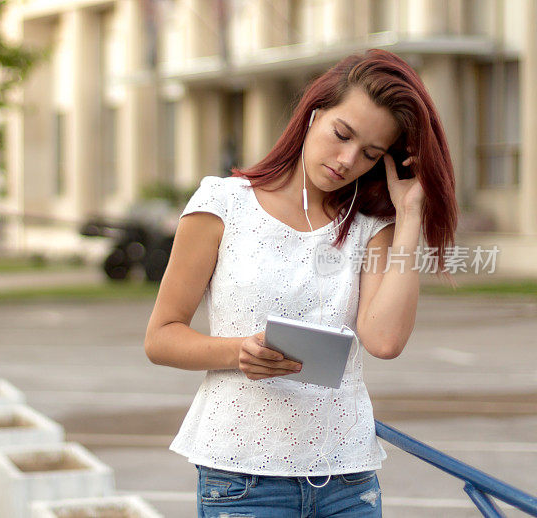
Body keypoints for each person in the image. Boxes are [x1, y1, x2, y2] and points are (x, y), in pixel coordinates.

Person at [144, 48, 458, 518]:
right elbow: (161, 337)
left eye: (371, 154)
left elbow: (386, 340)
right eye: (342, 134)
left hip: (348, 482)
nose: (348, 160)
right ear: (314, 115)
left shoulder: (372, 227)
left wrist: (410, 213)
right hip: (245, 482)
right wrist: (239, 352)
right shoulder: (222, 204)